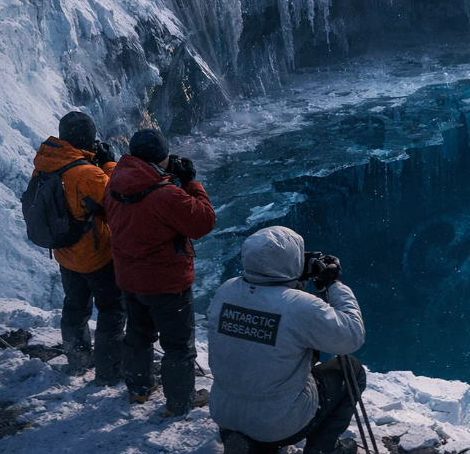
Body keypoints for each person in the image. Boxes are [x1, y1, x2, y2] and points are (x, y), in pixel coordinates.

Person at [208, 226, 366, 454]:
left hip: (224, 411)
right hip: (277, 422)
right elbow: (351, 336)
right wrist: (333, 285)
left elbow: (270, 304)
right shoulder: (301, 307)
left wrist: (293, 277)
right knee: (352, 370)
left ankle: (245, 439)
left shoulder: (227, 291)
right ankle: (324, 448)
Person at [104, 128, 216, 417]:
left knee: (138, 335)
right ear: (161, 157)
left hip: (130, 277)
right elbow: (203, 222)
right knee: (178, 346)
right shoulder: (164, 195)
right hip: (166, 283)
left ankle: (139, 389)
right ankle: (179, 402)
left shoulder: (115, 181)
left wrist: (169, 179)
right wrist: (191, 183)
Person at [27, 111, 124, 384]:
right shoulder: (87, 174)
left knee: (74, 308)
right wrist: (108, 164)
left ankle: (78, 360)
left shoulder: (44, 165)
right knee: (112, 310)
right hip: (96, 256)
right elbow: (115, 201)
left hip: (65, 254)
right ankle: (108, 371)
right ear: (88, 139)